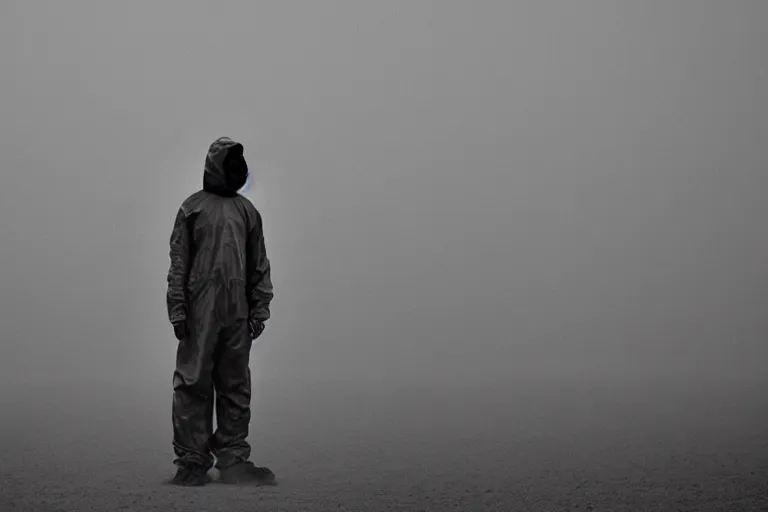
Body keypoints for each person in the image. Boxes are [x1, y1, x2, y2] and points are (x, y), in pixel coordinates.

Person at [165, 137, 275, 486]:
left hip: (237, 314)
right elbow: (179, 262)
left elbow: (259, 263)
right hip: (199, 311)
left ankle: (233, 458)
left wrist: (259, 309)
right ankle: (192, 460)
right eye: (232, 164)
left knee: (235, 386)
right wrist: (178, 309)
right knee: (193, 382)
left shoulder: (247, 212)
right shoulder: (192, 209)